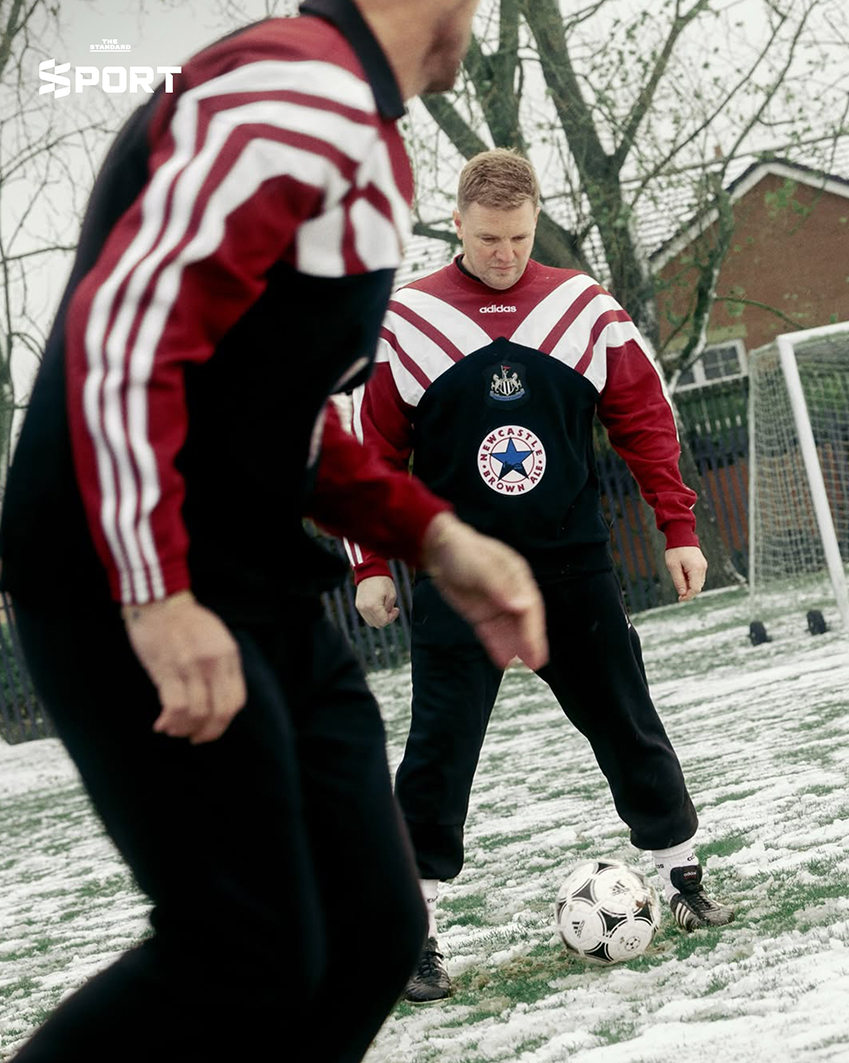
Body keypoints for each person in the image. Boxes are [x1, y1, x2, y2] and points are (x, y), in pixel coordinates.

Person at [0, 9, 549, 1062]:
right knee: (243, 946)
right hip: (130, 567)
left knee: (373, 931)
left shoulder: (370, 141)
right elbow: (128, 328)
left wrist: (436, 536)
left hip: (262, 582)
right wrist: (153, 591)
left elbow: (278, 419)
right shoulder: (294, 84)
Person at [350, 147, 735, 1003]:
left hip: (572, 566)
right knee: (439, 753)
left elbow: (645, 419)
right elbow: (367, 451)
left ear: (535, 221)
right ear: (457, 223)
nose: (504, 254)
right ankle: (414, 938)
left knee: (628, 721)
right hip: (459, 574)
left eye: (519, 237)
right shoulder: (408, 320)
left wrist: (679, 527)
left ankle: (680, 877)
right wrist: (369, 561)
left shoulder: (581, 307)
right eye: (488, 238)